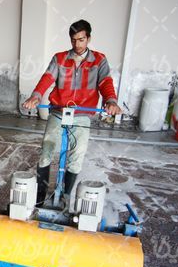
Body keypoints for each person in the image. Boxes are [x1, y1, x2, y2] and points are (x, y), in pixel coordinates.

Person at [22, 19, 123, 206]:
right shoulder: (60, 58)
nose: (77, 44)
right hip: (58, 112)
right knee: (46, 151)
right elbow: (47, 78)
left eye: (81, 40)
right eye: (74, 40)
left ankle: (65, 196)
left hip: (82, 114)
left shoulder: (99, 60)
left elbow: (105, 82)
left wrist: (111, 101)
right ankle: (40, 196)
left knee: (77, 156)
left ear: (88, 38)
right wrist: (36, 96)